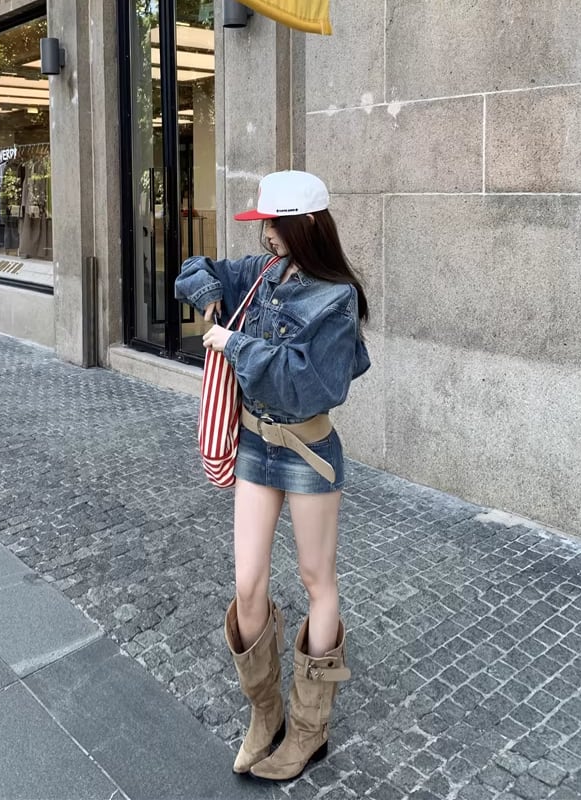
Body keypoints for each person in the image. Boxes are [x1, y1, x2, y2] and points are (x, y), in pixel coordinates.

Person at [174, 170, 370, 782]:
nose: (267, 237)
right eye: (264, 227)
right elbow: (193, 266)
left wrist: (233, 344)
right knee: (248, 583)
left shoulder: (337, 299)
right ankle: (267, 715)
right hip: (256, 446)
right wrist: (209, 292)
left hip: (309, 452)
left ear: (307, 226)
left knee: (317, 582)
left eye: (275, 227)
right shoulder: (265, 272)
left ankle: (311, 728)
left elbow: (308, 382)